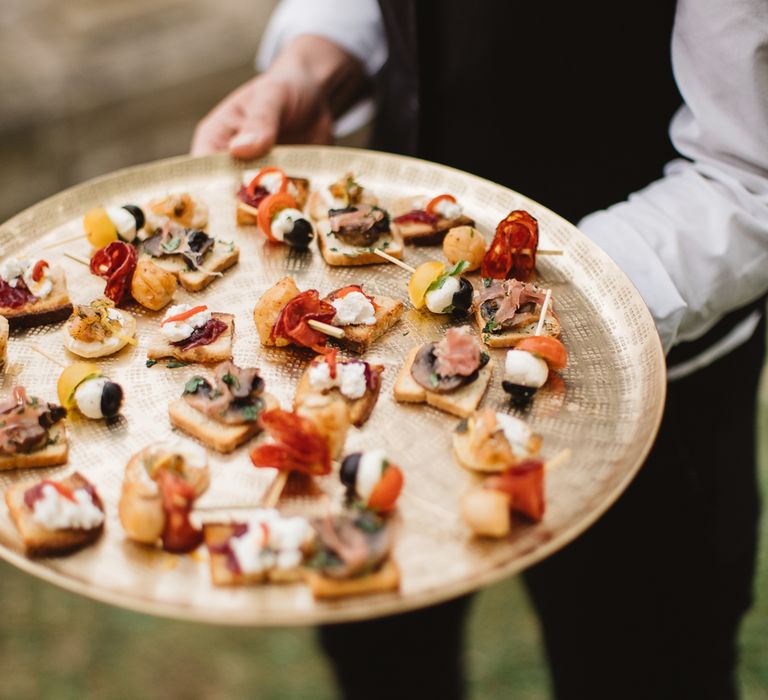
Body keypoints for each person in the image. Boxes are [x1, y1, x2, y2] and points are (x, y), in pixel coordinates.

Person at [192, 2, 768, 698]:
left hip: (651, 396)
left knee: (642, 666)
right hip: (375, 372)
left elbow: (749, 170)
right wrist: (314, 65)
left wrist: (551, 298)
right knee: (384, 662)